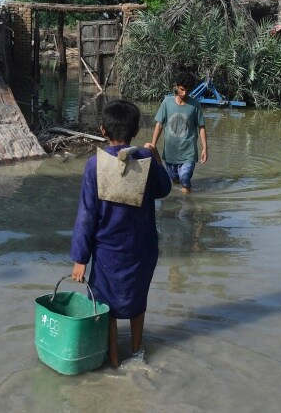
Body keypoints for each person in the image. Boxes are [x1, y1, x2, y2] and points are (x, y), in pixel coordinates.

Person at [70, 100, 171, 368]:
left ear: (103, 129)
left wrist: (80, 258)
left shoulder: (94, 165)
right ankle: (137, 352)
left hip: (108, 251)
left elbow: (86, 215)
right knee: (138, 301)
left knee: (107, 307)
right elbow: (164, 189)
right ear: (136, 131)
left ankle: (114, 359)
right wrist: (155, 155)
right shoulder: (145, 159)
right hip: (142, 248)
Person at [150, 72, 208, 193]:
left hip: (188, 153)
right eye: (182, 89)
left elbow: (201, 127)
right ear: (176, 86)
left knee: (185, 181)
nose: (184, 93)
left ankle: (187, 208)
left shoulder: (195, 105)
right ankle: (177, 204)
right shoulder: (167, 103)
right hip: (171, 153)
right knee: (175, 181)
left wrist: (204, 148)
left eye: (187, 90)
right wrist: (153, 145)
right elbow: (159, 124)